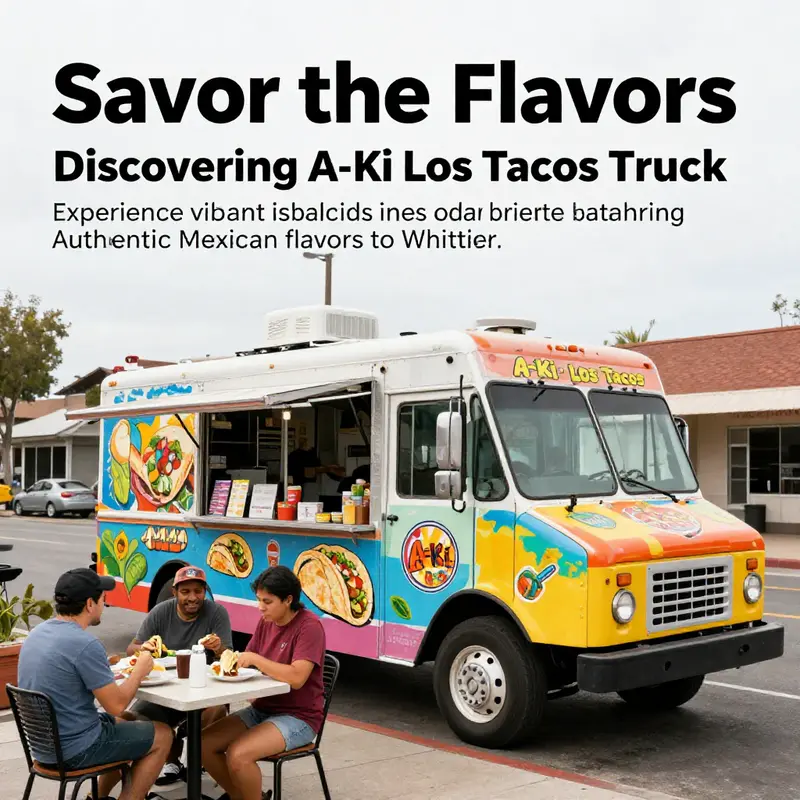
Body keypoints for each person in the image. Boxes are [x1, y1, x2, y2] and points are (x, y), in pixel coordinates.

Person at [17, 568, 173, 800]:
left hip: (44, 747)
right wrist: (139, 671)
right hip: (75, 750)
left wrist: (104, 665)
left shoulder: (37, 634)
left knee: (131, 720)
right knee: (163, 735)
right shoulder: (85, 644)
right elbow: (116, 705)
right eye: (102, 598)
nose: (104, 603)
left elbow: (66, 671)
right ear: (90, 604)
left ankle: (97, 796)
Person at [201, 566, 326, 800]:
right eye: (258, 600)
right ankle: (244, 796)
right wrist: (224, 657)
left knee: (239, 755)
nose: (260, 607)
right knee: (203, 744)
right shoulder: (266, 621)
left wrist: (256, 659)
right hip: (262, 709)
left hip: (299, 717)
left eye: (267, 601)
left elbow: (297, 678)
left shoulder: (309, 626)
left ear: (288, 600)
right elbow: (245, 664)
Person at [115, 565, 233, 788]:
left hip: (204, 690)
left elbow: (229, 657)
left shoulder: (217, 613)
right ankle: (171, 761)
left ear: (205, 592)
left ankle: (196, 759)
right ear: (174, 592)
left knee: (216, 710)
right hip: (164, 688)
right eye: (185, 592)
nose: (192, 598)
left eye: (198, 591)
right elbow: (132, 649)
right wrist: (144, 648)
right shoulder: (160, 612)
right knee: (134, 718)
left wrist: (219, 648)